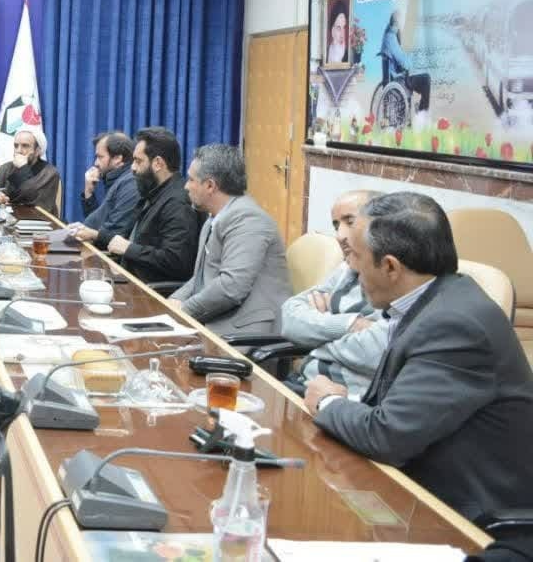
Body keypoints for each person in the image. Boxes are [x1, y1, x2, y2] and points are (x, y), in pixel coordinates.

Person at [306, 192, 533, 521]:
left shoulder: (454, 325)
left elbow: (388, 437)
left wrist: (328, 402)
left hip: (466, 518)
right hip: (419, 485)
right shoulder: (434, 298)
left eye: (356, 257)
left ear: (390, 266)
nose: (352, 268)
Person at [169, 144, 290, 336]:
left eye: (191, 180)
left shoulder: (248, 220)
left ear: (210, 186)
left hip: (245, 331)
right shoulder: (215, 217)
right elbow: (201, 277)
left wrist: (184, 310)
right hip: (217, 317)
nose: (186, 186)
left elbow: (231, 287)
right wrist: (173, 302)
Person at [280, 189, 386, 398]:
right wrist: (350, 324)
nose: (339, 236)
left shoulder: (392, 279)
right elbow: (290, 317)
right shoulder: (347, 268)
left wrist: (315, 334)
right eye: (336, 226)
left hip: (342, 399)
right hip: (303, 384)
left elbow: (377, 351)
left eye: (350, 222)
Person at [105, 127, 200, 286]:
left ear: (158, 163)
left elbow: (176, 261)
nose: (132, 167)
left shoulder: (177, 203)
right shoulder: (153, 193)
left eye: (138, 161)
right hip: (127, 280)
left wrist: (129, 249)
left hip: (146, 292)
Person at [64, 131, 139, 247]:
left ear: (117, 158)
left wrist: (87, 232)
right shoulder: (116, 179)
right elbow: (98, 223)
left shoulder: (130, 184)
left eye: (100, 157)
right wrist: (89, 192)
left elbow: (114, 234)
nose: (96, 163)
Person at [0, 126, 61, 214]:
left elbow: (33, 199)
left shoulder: (50, 173)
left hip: (37, 219)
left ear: (37, 151)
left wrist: (23, 169)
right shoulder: (7, 167)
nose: (18, 150)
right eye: (16, 146)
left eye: (25, 146)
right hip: (10, 217)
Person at [380, 9, 431, 113]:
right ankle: (422, 112)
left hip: (395, 77)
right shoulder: (391, 38)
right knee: (426, 79)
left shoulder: (389, 34)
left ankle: (421, 110)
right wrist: (410, 62)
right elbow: (404, 62)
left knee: (422, 79)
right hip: (399, 79)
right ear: (397, 23)